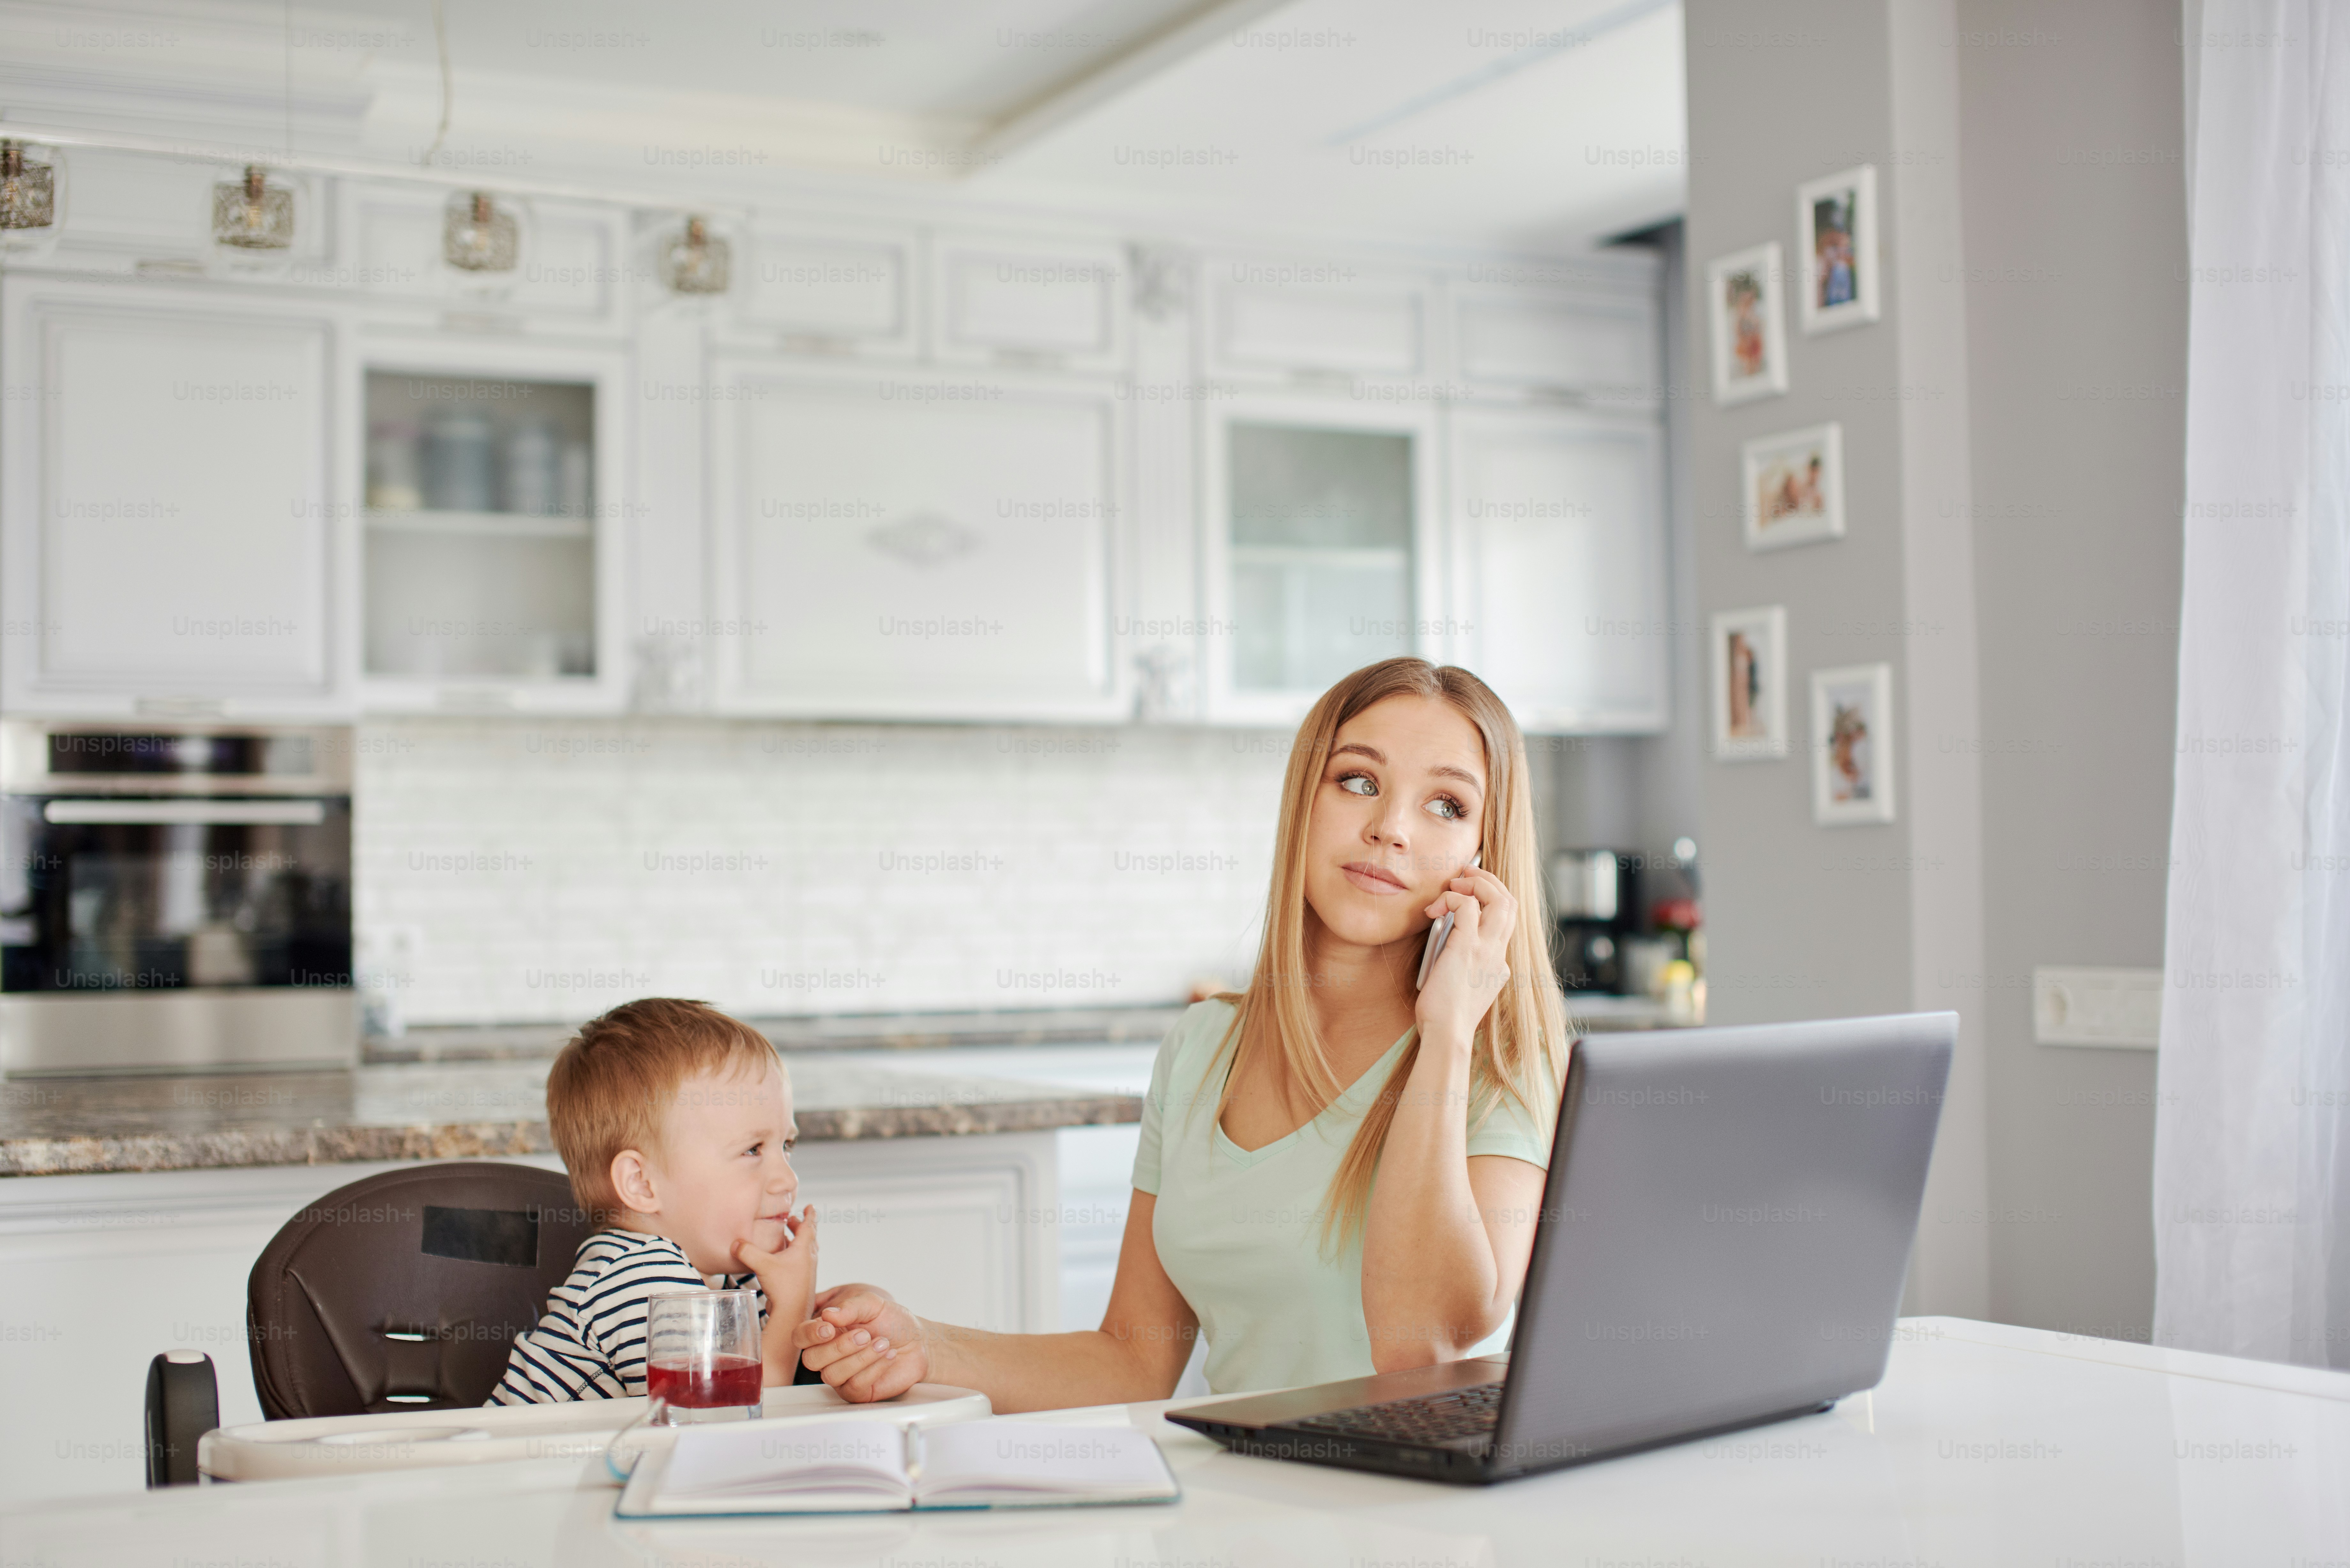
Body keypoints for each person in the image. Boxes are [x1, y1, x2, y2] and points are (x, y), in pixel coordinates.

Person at [796, 658, 1571, 1411]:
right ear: (1304, 799)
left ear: (1483, 853)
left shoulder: (1501, 1064)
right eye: (1357, 781)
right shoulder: (1203, 1045)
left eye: (1446, 805)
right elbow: (1132, 1360)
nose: (1389, 828)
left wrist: (1443, 1035)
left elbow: (1417, 1349)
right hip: (1240, 1505)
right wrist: (924, 1343)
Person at [488, 998, 818, 1404]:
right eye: (753, 1150)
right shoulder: (637, 1277)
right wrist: (794, 1309)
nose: (787, 1178)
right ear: (642, 1184)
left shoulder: (733, 1274)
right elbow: (723, 1414)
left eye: (787, 1144)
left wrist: (834, 1320)